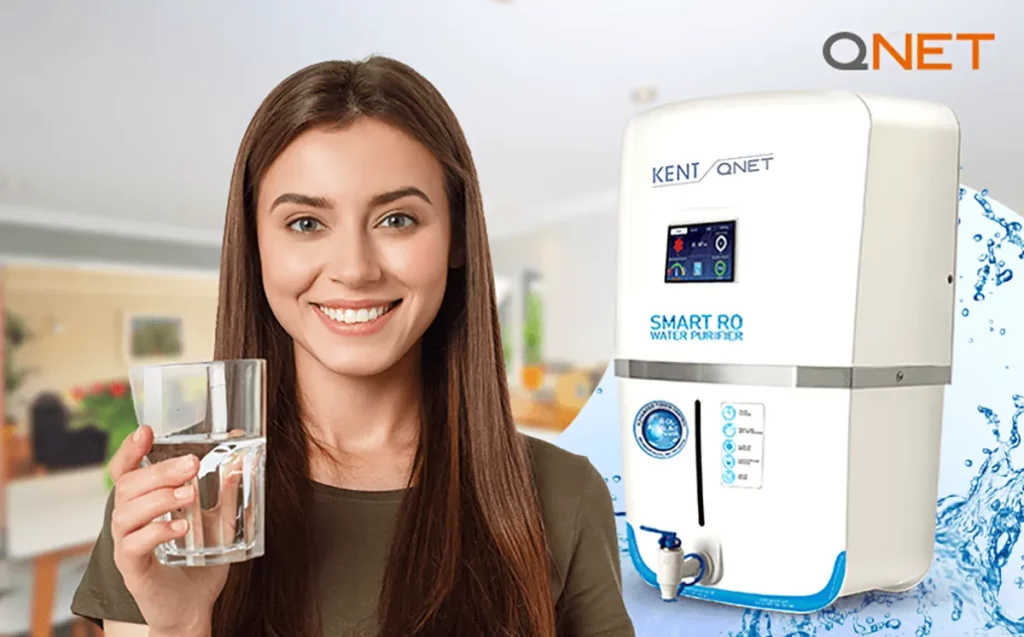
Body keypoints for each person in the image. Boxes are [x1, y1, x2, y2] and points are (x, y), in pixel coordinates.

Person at [70, 56, 635, 637]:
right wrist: (181, 624)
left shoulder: (562, 496)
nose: (354, 269)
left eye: (396, 219)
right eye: (306, 224)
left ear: (457, 239)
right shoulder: (179, 501)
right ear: (256, 245)